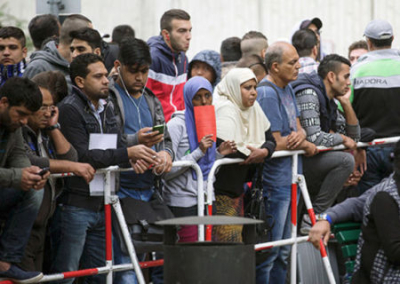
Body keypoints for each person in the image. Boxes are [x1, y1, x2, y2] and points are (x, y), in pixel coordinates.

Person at [49, 53, 159, 284]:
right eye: (98, 76)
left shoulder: (106, 106)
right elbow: (83, 156)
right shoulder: (69, 109)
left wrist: (130, 159)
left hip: (104, 202)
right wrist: (128, 153)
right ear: (80, 81)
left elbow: (116, 144)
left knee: (101, 275)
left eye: (105, 74)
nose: (106, 80)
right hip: (76, 205)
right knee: (66, 275)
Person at [108, 37, 174, 284]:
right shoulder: (108, 99)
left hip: (149, 191)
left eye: (144, 72)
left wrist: (167, 154)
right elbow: (104, 143)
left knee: (157, 262)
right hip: (119, 192)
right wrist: (134, 142)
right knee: (125, 267)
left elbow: (165, 137)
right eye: (133, 71)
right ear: (118, 65)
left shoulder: (151, 99)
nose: (139, 77)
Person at [255, 42, 318, 284]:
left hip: (291, 178)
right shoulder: (267, 92)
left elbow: (298, 129)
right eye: (292, 63)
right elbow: (276, 142)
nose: (298, 66)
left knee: (283, 251)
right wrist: (303, 143)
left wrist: (301, 138)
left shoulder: (287, 88)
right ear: (275, 66)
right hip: (275, 183)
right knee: (271, 250)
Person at [19, 76, 95, 272]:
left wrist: (54, 127)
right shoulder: (17, 131)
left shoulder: (44, 132)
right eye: (42, 107)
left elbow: (71, 156)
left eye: (51, 107)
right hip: (21, 226)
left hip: (43, 223)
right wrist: (72, 166)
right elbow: (30, 161)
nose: (47, 112)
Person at [291, 54, 359, 234]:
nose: (349, 83)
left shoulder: (329, 98)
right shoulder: (309, 94)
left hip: (311, 163)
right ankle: (316, 216)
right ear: (331, 76)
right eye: (346, 76)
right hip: (294, 165)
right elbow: (313, 138)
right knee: (345, 161)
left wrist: (345, 103)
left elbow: (355, 137)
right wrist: (341, 139)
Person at [163, 76, 236, 242]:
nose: (204, 101)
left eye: (207, 95)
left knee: (208, 254)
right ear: (189, 98)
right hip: (182, 202)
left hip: (207, 197)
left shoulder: (209, 120)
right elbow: (166, 172)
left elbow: (207, 168)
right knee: (189, 256)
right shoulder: (176, 125)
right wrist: (199, 151)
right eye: (198, 97)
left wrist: (219, 153)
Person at [212, 68, 276, 242]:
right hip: (221, 191)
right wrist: (255, 153)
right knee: (229, 244)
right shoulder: (224, 109)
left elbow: (270, 140)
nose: (254, 93)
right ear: (233, 88)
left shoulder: (254, 108)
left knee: (239, 244)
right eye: (247, 88)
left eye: (254, 87)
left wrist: (264, 152)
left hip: (241, 190)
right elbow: (227, 148)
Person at [0, 77, 49, 283]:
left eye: (28, 117)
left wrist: (31, 173)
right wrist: (18, 176)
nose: (23, 122)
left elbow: (19, 154)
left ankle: (6, 262)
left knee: (34, 189)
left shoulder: (14, 125)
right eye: (20, 114)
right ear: (3, 103)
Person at [351, 19, 400, 194]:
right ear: (392, 38)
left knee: (367, 205)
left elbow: (343, 111)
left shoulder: (356, 71)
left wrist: (357, 146)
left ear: (369, 43)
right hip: (397, 146)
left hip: (366, 150)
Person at [23, 14, 93, 93]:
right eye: (90, 34)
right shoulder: (38, 67)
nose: (93, 38)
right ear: (76, 38)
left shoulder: (76, 65)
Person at [146, 9, 192, 122]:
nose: (189, 36)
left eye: (190, 30)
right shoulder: (152, 58)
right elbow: (143, 101)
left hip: (179, 127)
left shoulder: (183, 58)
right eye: (182, 31)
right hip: (159, 130)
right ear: (166, 34)